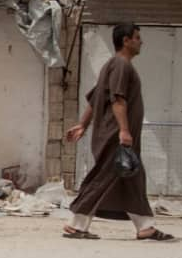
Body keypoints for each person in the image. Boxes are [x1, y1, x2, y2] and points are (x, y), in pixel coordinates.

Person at [63, 22, 174, 241]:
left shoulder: (113, 65)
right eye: (137, 37)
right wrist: (124, 130)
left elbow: (96, 99)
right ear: (126, 40)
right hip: (115, 134)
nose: (141, 42)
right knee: (104, 177)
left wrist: (83, 125)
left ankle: (145, 227)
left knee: (133, 177)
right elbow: (117, 99)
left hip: (118, 135)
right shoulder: (121, 66)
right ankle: (76, 225)